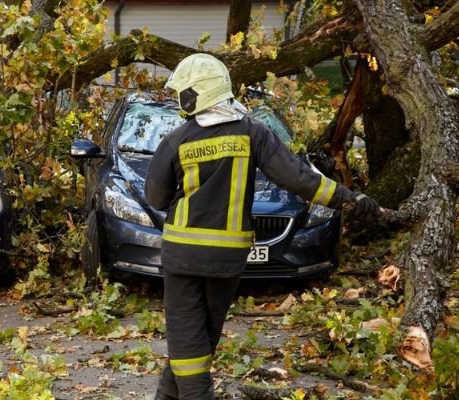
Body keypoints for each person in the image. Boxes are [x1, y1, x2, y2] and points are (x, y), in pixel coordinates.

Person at [145, 53, 381, 400]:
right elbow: (300, 179)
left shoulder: (178, 140)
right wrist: (349, 198)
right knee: (199, 338)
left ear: (196, 94)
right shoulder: (254, 133)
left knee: (187, 342)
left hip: (183, 256)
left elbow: (155, 196)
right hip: (227, 261)